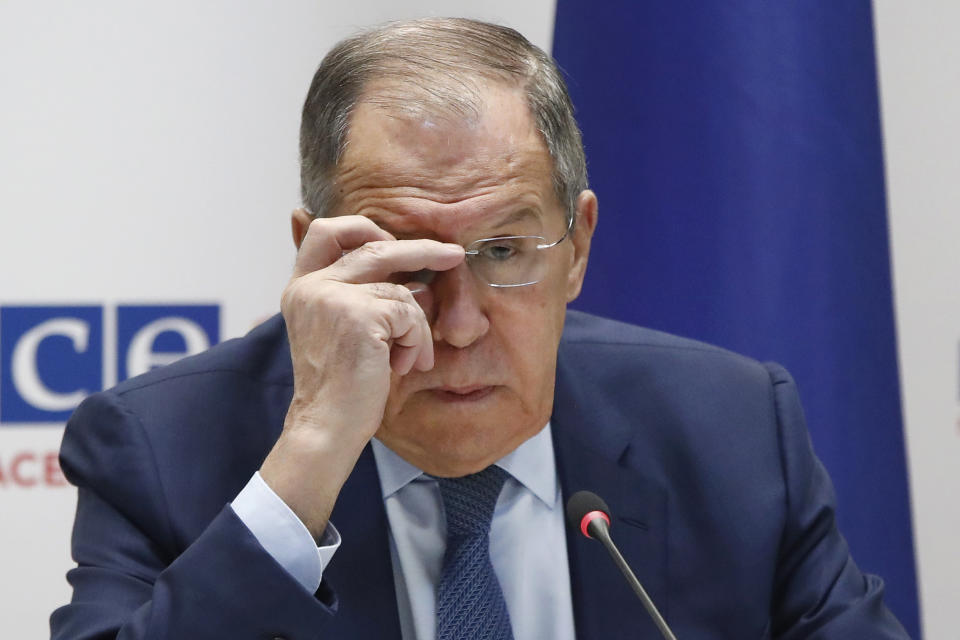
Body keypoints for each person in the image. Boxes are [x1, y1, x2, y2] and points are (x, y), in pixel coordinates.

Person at [50, 17, 910, 640]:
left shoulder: (731, 431)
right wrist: (307, 459)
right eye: (409, 263)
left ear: (578, 247)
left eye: (504, 250)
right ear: (315, 261)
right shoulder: (161, 449)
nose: (459, 326)